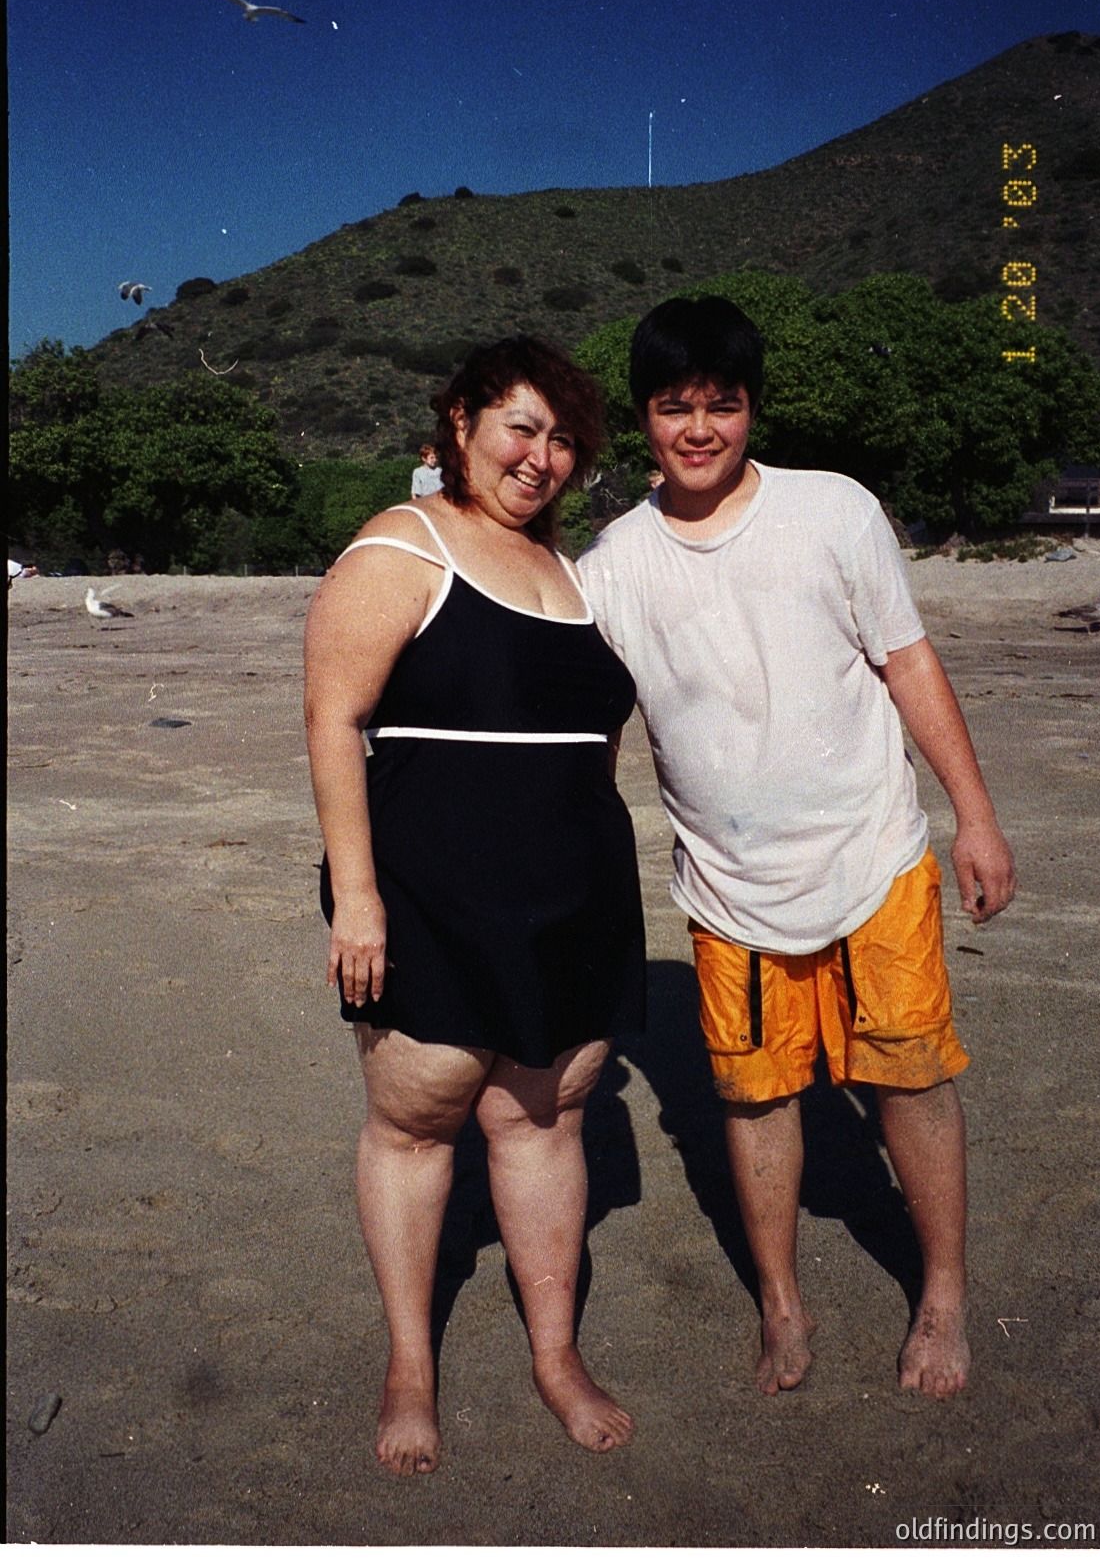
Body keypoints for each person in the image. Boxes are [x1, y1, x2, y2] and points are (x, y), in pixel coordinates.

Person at [578, 296, 1016, 1403]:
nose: (698, 429)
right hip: (728, 892)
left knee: (910, 1079)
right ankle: (780, 1306)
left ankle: (943, 1296)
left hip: (873, 858)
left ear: (749, 409)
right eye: (674, 407)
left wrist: (974, 815)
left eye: (719, 406)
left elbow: (906, 663)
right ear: (643, 419)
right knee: (754, 1098)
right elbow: (592, 726)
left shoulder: (834, 512)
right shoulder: (615, 564)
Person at [304, 337, 645, 1476]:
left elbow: (594, 740)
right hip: (427, 899)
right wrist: (356, 899)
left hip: (573, 897)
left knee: (545, 1119)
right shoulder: (401, 548)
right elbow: (333, 723)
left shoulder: (565, 569)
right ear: (458, 422)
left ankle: (554, 1356)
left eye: (561, 438)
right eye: (519, 427)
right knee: (415, 1126)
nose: (540, 456)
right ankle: (411, 1363)